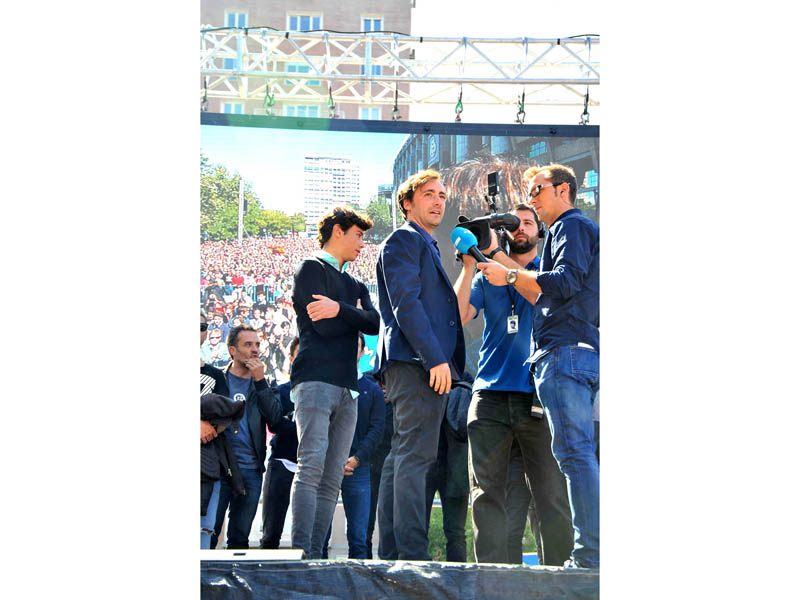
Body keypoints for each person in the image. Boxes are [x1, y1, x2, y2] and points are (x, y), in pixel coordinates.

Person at [476, 163, 599, 569]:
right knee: (577, 457)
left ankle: (589, 556)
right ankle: (590, 554)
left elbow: (563, 282)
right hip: (572, 353)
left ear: (563, 190)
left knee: (575, 457)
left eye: (537, 190)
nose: (531, 199)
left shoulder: (569, 226)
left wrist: (510, 276)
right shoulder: (573, 230)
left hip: (564, 354)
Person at [454, 202, 572, 565]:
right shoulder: (486, 275)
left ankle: (558, 580)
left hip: (537, 396)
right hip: (489, 395)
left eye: (527, 223)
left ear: (539, 231)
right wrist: (471, 264)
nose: (520, 228)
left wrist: (496, 257)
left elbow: (538, 294)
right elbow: (458, 315)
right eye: (513, 223)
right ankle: (491, 579)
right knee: (486, 494)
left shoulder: (547, 272)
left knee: (551, 494)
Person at [375, 169, 466, 561]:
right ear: (407, 202)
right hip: (417, 364)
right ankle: (411, 555)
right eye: (429, 194)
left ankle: (396, 552)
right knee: (415, 457)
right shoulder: (405, 239)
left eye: (442, 196)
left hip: (415, 364)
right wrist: (435, 358)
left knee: (403, 455)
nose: (438, 202)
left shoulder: (424, 243)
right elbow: (406, 305)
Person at [289, 206, 380, 559]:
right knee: (311, 467)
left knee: (331, 479)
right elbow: (323, 326)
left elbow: (374, 323)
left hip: (349, 388)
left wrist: (340, 308)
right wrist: (353, 313)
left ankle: (315, 556)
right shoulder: (310, 268)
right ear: (338, 231)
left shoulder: (355, 284)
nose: (362, 244)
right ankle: (302, 555)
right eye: (358, 235)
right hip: (314, 380)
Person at [210, 324, 283, 549]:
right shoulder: (217, 379)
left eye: (257, 345)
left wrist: (260, 382)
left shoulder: (263, 383)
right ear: (232, 350)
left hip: (250, 469)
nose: (255, 350)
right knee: (208, 531)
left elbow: (276, 421)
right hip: (218, 468)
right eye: (248, 344)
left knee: (240, 539)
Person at [321, 333, 385, 558]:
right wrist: (333, 460)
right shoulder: (326, 385)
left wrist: (356, 459)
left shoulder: (372, 390)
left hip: (358, 467)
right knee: (319, 536)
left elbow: (377, 430)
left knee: (359, 539)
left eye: (354, 345)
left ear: (362, 351)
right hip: (326, 467)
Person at [259, 337, 300, 549]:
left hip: (310, 467)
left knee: (308, 536)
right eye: (299, 354)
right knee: (270, 534)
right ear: (291, 358)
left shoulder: (323, 394)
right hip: (281, 462)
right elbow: (275, 424)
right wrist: (303, 426)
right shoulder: (281, 390)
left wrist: (290, 422)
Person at [200, 309, 231, 549]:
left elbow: (227, 416)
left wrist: (209, 427)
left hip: (207, 466)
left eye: (202, 327)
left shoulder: (215, 375)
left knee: (204, 530)